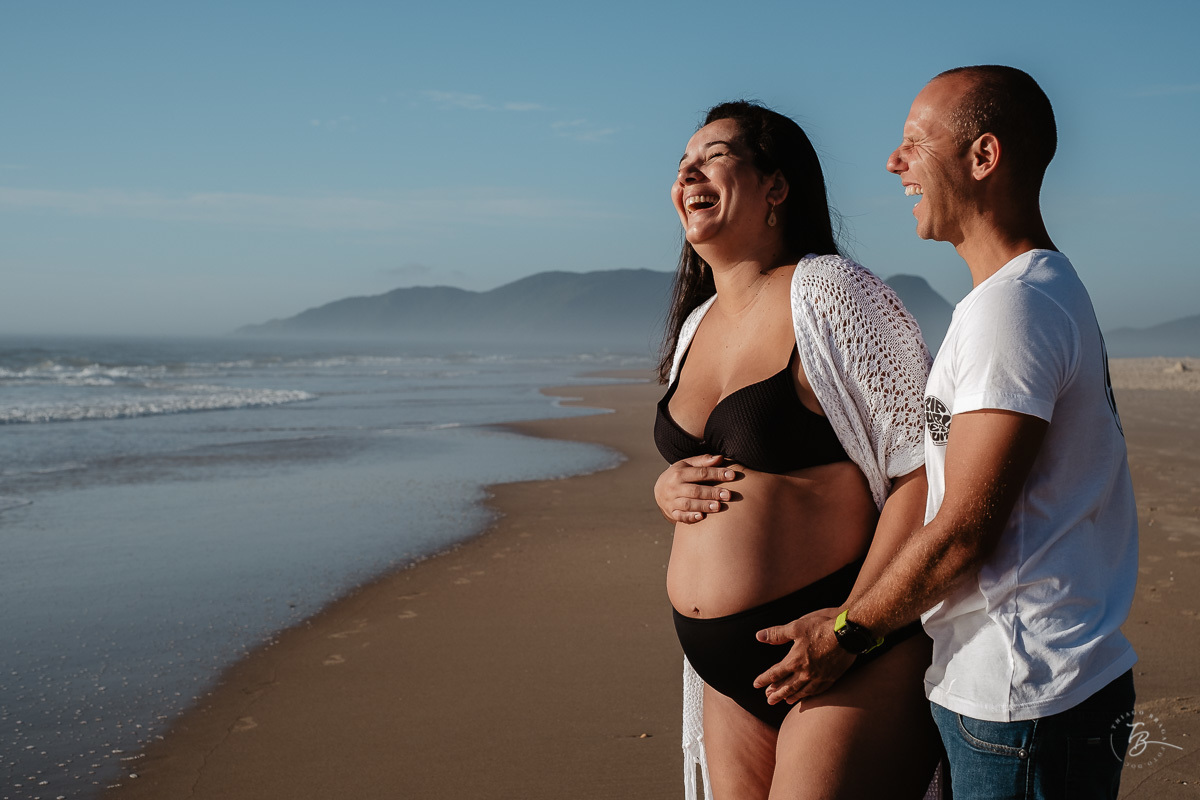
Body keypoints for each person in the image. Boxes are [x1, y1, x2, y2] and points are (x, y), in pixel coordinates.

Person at [751, 67, 1139, 799]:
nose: (894, 163)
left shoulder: (1014, 309)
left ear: (982, 158)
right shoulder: (1022, 297)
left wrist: (844, 634)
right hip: (1022, 687)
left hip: (1024, 698)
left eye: (912, 144)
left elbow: (966, 529)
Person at [653, 100, 941, 800]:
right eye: (682, 162)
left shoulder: (834, 294)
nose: (689, 169)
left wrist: (851, 630)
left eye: (714, 154)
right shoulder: (695, 325)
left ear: (776, 186)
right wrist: (665, 490)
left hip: (844, 648)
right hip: (731, 676)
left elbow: (924, 468)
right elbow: (724, 476)